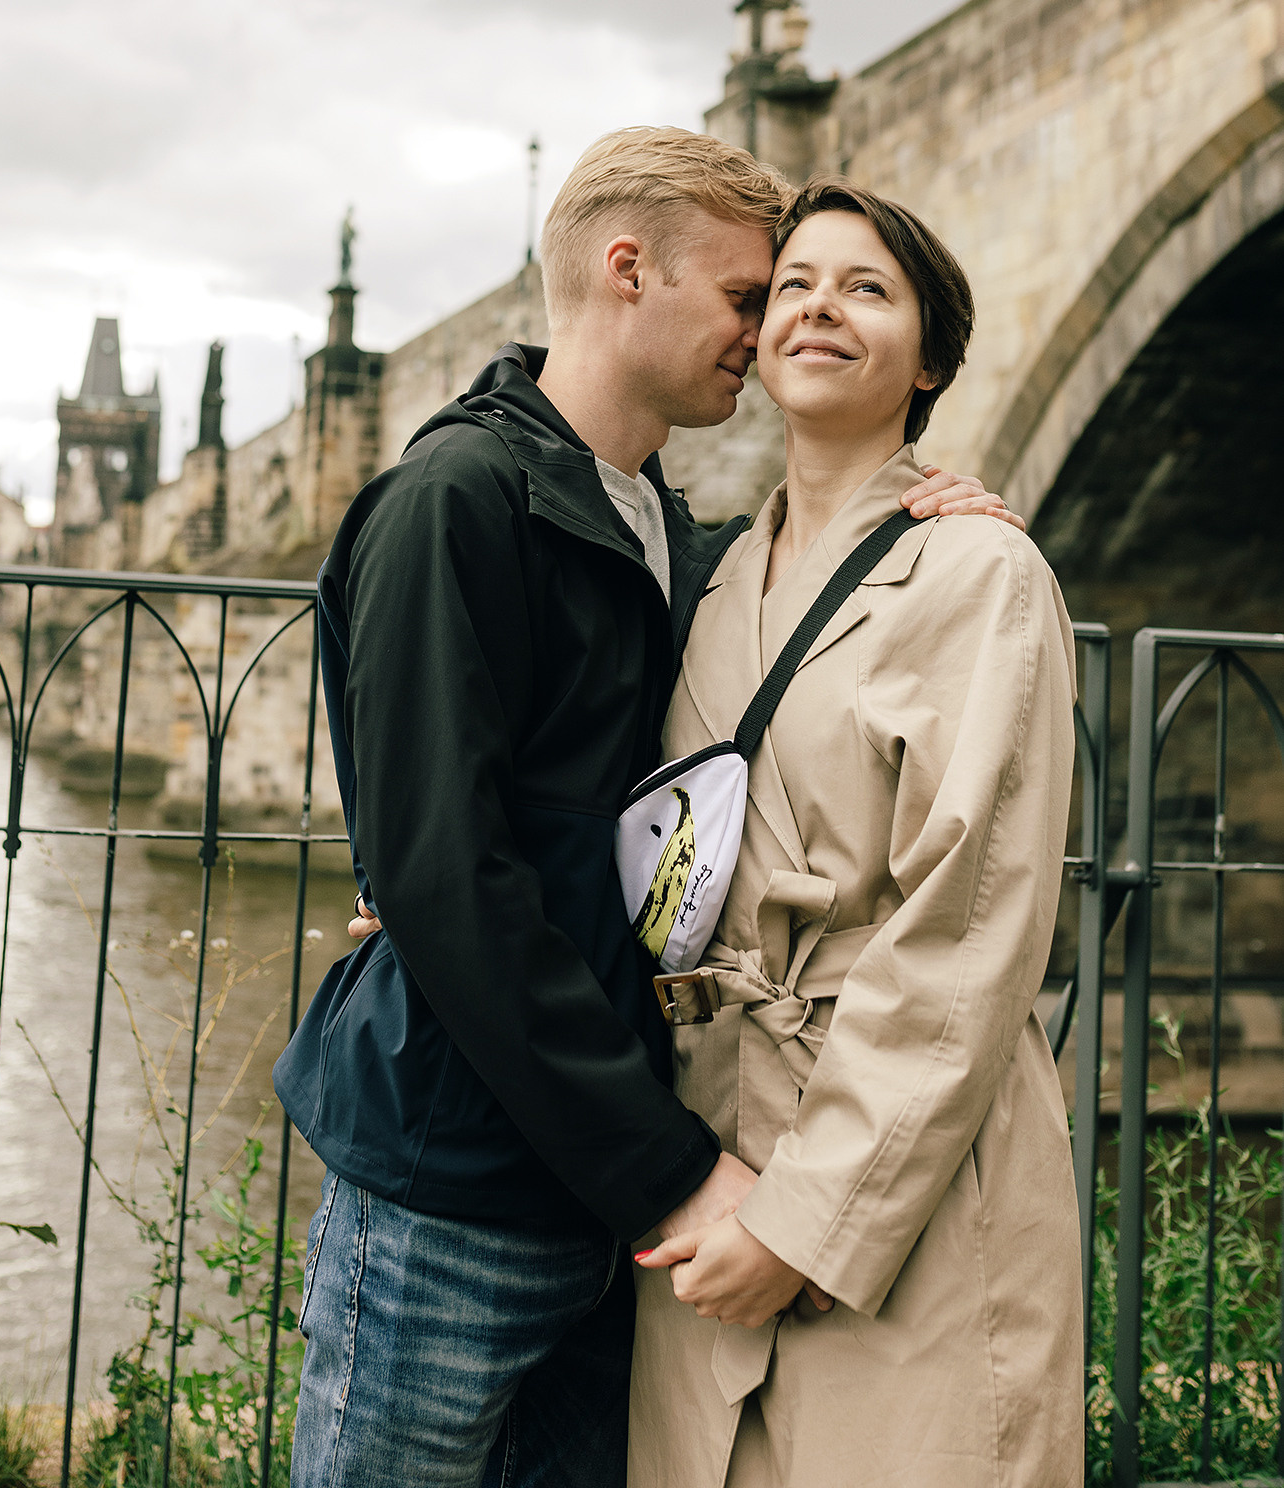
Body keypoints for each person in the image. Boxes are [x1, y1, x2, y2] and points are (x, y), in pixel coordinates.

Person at [275, 129, 1025, 1488]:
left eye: (820, 292)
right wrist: (671, 1169)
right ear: (629, 270)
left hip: (604, 1198)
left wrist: (930, 509)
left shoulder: (674, 537)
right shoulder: (454, 498)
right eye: (753, 293)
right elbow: (446, 877)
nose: (764, 328)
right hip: (459, 1175)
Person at [631, 177, 1083, 1487]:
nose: (820, 307)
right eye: (794, 286)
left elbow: (967, 931)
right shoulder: (711, 575)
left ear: (928, 359)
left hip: (898, 1173)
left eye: (866, 289)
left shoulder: (980, 570)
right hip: (710, 1151)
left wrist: (808, 1220)